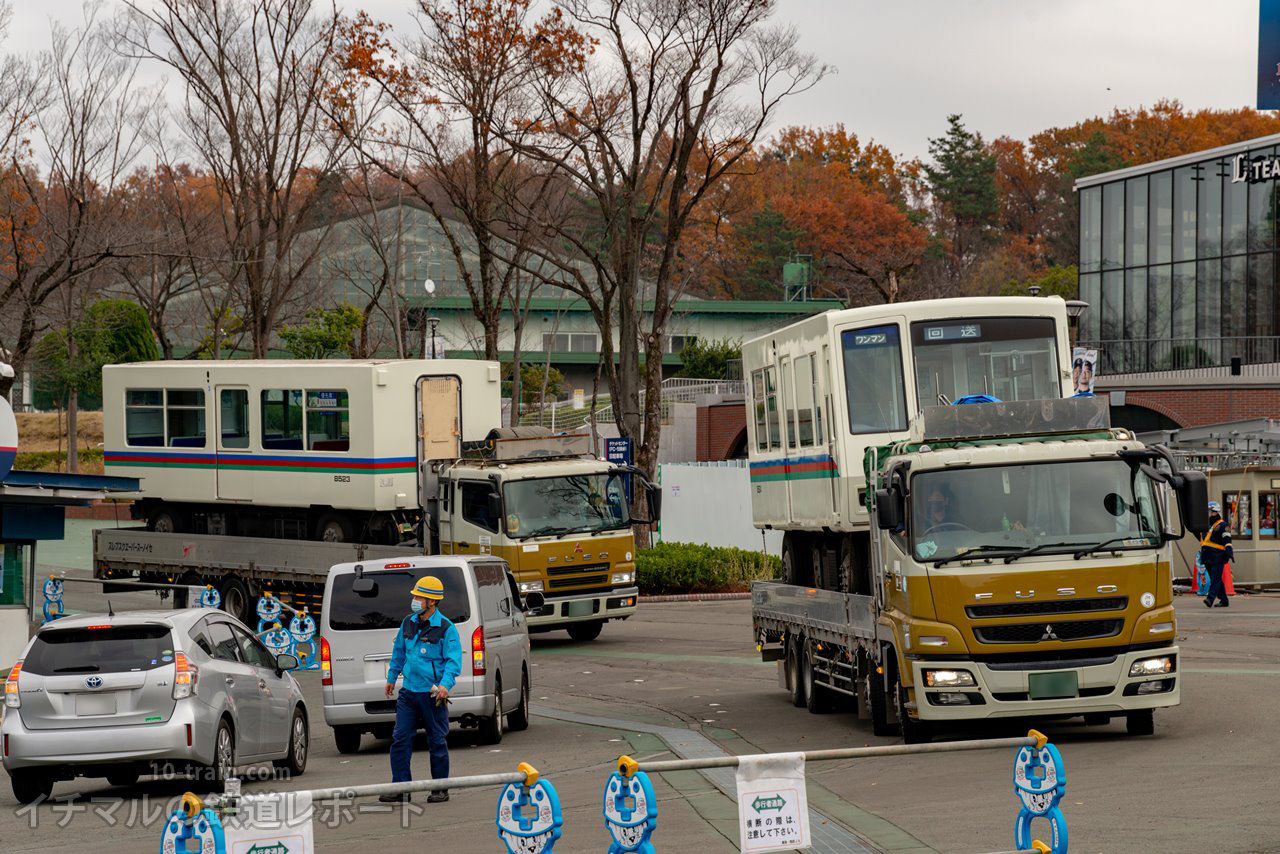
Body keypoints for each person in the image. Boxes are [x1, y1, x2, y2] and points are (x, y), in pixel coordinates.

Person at [380, 575, 462, 803]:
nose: (415, 600)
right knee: (400, 739)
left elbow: (453, 661)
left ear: (432, 601)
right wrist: (391, 676)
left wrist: (446, 685)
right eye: (415, 596)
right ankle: (401, 788)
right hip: (408, 692)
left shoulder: (446, 628)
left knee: (436, 740)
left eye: (419, 597)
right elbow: (399, 652)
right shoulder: (408, 622)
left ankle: (440, 788)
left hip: (432, 694)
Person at [1200, 502, 1234, 608]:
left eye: (1211, 512)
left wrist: (1229, 552)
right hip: (1207, 557)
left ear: (1215, 512)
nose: (1209, 514)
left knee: (1215, 579)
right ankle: (1224, 600)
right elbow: (1204, 540)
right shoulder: (1206, 526)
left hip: (1218, 557)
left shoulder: (1223, 525)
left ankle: (1210, 599)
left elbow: (1227, 540)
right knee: (1217, 579)